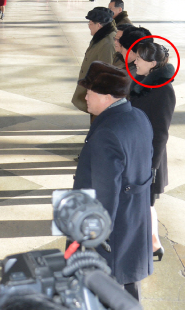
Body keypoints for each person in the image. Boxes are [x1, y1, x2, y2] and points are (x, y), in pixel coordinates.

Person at [74, 61, 154, 301]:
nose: (85, 96)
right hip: (134, 217)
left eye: (90, 91)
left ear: (107, 96)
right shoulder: (137, 116)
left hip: (114, 225)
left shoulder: (106, 132)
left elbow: (106, 192)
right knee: (129, 283)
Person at [128, 43, 176, 263]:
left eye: (139, 59)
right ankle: (153, 243)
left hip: (148, 157)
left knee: (144, 202)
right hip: (136, 151)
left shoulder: (164, 90)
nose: (134, 61)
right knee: (143, 203)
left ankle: (151, 244)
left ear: (153, 64)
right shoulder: (142, 83)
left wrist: (151, 168)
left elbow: (161, 133)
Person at [71, 7, 117, 115]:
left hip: (99, 96)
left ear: (99, 25)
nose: (89, 26)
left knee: (96, 121)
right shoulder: (101, 37)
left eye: (91, 23)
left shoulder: (108, 43)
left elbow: (106, 72)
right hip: (94, 91)